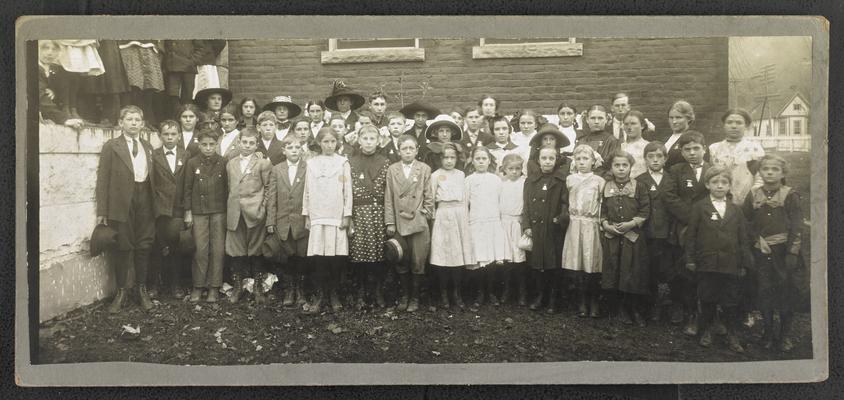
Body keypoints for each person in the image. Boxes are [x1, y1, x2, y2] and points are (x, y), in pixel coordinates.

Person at [685, 166, 753, 353]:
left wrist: (744, 263)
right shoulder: (699, 207)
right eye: (715, 182)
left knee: (730, 299)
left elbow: (743, 238)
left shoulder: (736, 210)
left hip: (731, 263)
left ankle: (732, 333)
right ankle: (707, 330)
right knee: (707, 297)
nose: (720, 186)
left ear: (730, 186)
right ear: (707, 184)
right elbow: (691, 235)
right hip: (707, 263)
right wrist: (690, 259)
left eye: (724, 182)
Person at [95, 105, 156, 313]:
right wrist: (102, 211)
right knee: (123, 244)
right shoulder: (112, 146)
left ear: (142, 123)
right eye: (129, 119)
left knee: (144, 244)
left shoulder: (148, 146)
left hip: (145, 199)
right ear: (121, 123)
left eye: (137, 120)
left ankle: (141, 289)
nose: (133, 123)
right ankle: (121, 292)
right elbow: (102, 180)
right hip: (121, 202)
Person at [743, 154, 804, 352]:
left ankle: (784, 336)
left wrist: (792, 253)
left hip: (784, 252)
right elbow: (746, 222)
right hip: (761, 253)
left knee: (786, 291)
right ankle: (767, 333)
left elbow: (797, 226)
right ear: (759, 171)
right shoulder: (753, 194)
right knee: (764, 292)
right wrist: (756, 240)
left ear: (783, 173)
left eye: (775, 169)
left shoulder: (790, 194)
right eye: (765, 169)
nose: (769, 172)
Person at [664, 130, 711, 335]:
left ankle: (706, 313)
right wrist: (691, 218)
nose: (692, 153)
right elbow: (669, 196)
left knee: (703, 269)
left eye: (696, 148)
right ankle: (683, 309)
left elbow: (719, 196)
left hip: (707, 227)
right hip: (682, 226)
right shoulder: (675, 171)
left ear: (704, 149)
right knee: (681, 269)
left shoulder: (713, 170)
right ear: (682, 152)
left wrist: (702, 219)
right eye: (687, 149)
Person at [302, 127, 354, 313]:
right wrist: (307, 214)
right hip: (317, 215)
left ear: (337, 143)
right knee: (319, 259)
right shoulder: (312, 163)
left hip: (336, 215)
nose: (329, 145)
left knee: (336, 258)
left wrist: (346, 215)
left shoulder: (342, 163)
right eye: (325, 142)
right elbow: (307, 190)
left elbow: (347, 190)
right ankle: (320, 295)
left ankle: (334, 294)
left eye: (333, 141)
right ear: (319, 143)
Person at [600, 150, 651, 327]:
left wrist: (631, 224)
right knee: (613, 269)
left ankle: (633, 309)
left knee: (631, 271)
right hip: (612, 236)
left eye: (624, 165)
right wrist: (606, 224)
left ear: (630, 167)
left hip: (632, 237)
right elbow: (602, 211)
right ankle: (615, 309)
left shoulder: (639, 186)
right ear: (611, 167)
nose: (621, 169)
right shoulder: (606, 186)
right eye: (617, 165)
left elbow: (645, 211)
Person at [384, 135, 434, 313]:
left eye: (411, 148)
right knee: (401, 259)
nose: (407, 152)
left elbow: (429, 195)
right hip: (399, 221)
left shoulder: (424, 169)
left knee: (418, 260)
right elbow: (388, 197)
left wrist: (425, 213)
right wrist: (390, 222)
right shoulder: (392, 169)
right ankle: (404, 296)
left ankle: (415, 297)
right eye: (404, 149)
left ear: (417, 150)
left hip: (418, 220)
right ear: (399, 150)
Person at [224, 127, 272, 305]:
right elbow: (229, 187)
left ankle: (258, 287)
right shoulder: (231, 163)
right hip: (235, 212)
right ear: (238, 142)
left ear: (257, 145)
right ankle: (237, 287)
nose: (247, 146)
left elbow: (268, 188)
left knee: (256, 250)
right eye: (244, 142)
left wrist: (262, 209)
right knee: (236, 251)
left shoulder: (263, 163)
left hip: (255, 212)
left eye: (252, 143)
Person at [348, 126, 392, 309]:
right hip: (359, 213)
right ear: (359, 140)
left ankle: (377, 292)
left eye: (372, 138)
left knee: (379, 255)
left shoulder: (385, 161)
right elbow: (347, 192)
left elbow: (388, 191)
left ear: (378, 141)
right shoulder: (350, 162)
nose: (368, 141)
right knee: (359, 254)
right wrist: (349, 216)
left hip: (378, 213)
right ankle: (360, 292)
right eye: (365, 138)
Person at [522, 144, 570, 313]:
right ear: (538, 160)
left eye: (551, 158)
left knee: (553, 264)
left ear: (556, 160)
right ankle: (540, 295)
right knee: (537, 264)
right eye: (544, 158)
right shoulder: (531, 180)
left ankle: (552, 299)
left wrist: (560, 218)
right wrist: (526, 225)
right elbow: (526, 205)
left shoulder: (560, 181)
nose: (548, 162)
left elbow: (565, 203)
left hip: (553, 229)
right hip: (536, 228)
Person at [183, 125, 228, 303]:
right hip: (199, 212)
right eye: (204, 144)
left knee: (217, 250)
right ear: (199, 145)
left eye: (211, 144)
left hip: (219, 211)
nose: (208, 148)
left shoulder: (224, 162)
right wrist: (188, 212)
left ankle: (214, 287)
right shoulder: (192, 162)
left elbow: (227, 188)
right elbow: (186, 188)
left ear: (217, 144)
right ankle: (198, 286)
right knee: (200, 250)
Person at [635, 141, 679, 322]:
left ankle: (673, 306)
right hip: (649, 234)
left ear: (665, 158)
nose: (655, 160)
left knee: (670, 271)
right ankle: (652, 306)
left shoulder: (672, 179)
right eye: (650, 157)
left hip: (669, 234)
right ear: (645, 159)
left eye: (659, 156)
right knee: (650, 271)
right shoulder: (640, 180)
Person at [561, 145, 606, 318]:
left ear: (593, 162)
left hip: (591, 224)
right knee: (577, 262)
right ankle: (581, 301)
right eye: (578, 159)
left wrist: (601, 223)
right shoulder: (570, 179)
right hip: (574, 224)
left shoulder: (599, 181)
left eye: (585, 159)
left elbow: (602, 204)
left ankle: (593, 300)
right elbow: (565, 202)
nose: (581, 162)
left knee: (591, 260)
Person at [266, 136, 310, 308]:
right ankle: (289, 290)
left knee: (301, 256)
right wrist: (271, 220)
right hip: (283, 220)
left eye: (297, 147)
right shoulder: (277, 169)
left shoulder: (308, 168)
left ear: (301, 150)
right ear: (283, 151)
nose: (293, 150)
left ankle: (301, 290)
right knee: (287, 256)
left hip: (301, 220)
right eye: (289, 147)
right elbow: (272, 197)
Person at [429, 143, 474, 310]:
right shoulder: (436, 175)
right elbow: (431, 199)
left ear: (457, 159)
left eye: (452, 158)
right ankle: (443, 293)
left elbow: (466, 199)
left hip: (459, 215)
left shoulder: (461, 175)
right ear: (440, 159)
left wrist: (465, 219)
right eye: (445, 158)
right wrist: (434, 220)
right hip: (443, 215)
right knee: (443, 257)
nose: (449, 161)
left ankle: (457, 292)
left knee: (457, 256)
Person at [464, 146, 509, 307]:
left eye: (484, 159)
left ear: (489, 161)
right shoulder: (468, 180)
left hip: (493, 222)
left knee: (491, 260)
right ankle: (480, 293)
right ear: (473, 161)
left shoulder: (496, 180)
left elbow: (500, 201)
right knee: (479, 258)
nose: (481, 161)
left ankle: (491, 292)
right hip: (476, 222)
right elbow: (466, 203)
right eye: (478, 159)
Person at [148, 120, 188, 300]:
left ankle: (175, 284)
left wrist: (188, 209)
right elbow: (151, 182)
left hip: (178, 208)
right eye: (166, 134)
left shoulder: (186, 155)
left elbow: (188, 184)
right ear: (159, 136)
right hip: (160, 208)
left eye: (173, 134)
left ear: (179, 136)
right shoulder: (154, 155)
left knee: (176, 246)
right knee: (157, 245)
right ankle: (155, 284)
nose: (170, 138)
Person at [710, 108, 766, 205]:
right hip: (719, 199)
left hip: (748, 200)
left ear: (746, 126)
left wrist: (752, 196)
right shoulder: (714, 149)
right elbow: (709, 176)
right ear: (724, 125)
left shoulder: (755, 149)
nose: (734, 126)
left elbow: (760, 177)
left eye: (739, 123)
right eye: (729, 122)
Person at [499, 153, 528, 306]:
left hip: (517, 223)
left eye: (517, 168)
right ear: (504, 169)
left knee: (519, 259)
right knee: (507, 259)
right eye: (511, 169)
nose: (514, 172)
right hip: (504, 223)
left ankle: (522, 293)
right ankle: (507, 291)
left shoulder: (524, 183)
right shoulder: (501, 184)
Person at [38, 40, 84, 129]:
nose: (49, 53)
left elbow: (61, 92)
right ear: (38, 50)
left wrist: (53, 92)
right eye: (45, 48)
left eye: (54, 49)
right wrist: (64, 119)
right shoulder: (33, 68)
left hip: (52, 111)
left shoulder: (56, 70)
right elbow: (41, 98)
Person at [575, 105, 620, 178]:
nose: (596, 122)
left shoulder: (612, 141)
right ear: (587, 119)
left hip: (602, 180)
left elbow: (613, 166)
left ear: (606, 120)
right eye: (593, 118)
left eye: (600, 118)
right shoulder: (581, 141)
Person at [654, 100, 697, 169]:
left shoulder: (692, 138)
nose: (674, 121)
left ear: (688, 118)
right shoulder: (666, 139)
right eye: (671, 118)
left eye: (678, 117)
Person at [620, 110, 650, 178]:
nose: (629, 127)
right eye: (626, 124)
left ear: (642, 126)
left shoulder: (648, 146)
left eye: (633, 123)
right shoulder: (620, 147)